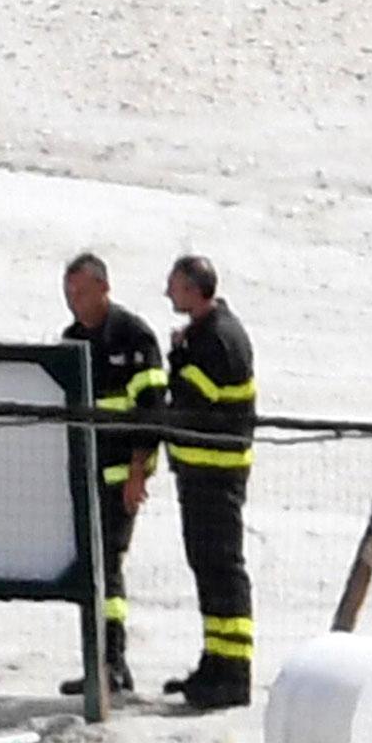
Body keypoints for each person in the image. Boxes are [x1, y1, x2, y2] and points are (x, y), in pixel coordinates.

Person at [132, 255, 257, 711]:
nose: (168, 294)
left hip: (215, 477)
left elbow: (188, 401)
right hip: (200, 476)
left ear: (193, 289)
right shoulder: (208, 334)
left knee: (222, 570)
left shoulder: (218, 339)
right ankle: (216, 661)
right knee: (208, 569)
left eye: (174, 287)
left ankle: (233, 672)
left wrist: (178, 357)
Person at [57, 252, 169, 697]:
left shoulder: (133, 335)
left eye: (81, 292)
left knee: (108, 565)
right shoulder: (71, 340)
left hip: (124, 473)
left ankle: (112, 662)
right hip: (85, 474)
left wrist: (138, 472)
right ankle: (100, 660)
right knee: (94, 567)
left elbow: (151, 410)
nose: (74, 302)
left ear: (104, 288)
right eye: (69, 294)